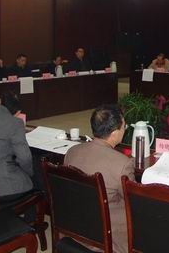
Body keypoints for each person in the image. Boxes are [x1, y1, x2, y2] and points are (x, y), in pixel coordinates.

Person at [64, 105, 134, 253]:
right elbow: (133, 202)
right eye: (124, 127)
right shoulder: (122, 163)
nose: (125, 130)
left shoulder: (72, 151)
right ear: (114, 133)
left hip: (75, 225)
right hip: (106, 234)